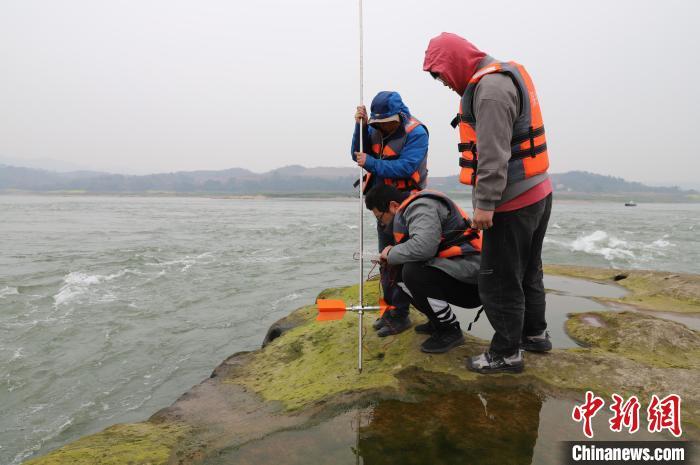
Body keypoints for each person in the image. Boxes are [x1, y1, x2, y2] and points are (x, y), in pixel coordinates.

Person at [423, 33, 553, 373]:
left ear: (454, 62)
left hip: (513, 200)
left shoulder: (491, 91)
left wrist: (485, 204)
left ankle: (507, 353)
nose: (445, 84)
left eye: (441, 75)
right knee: (528, 270)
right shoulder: (500, 78)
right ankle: (535, 335)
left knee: (499, 278)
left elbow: (494, 154)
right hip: (538, 192)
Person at [364, 184, 482, 353]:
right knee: (398, 270)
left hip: (474, 283)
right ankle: (436, 322)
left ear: (393, 206)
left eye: (380, 217)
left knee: (413, 272)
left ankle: (449, 330)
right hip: (457, 273)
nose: (381, 224)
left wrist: (391, 253)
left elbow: (424, 247)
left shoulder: (421, 207)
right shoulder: (410, 211)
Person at [351, 91, 429, 337]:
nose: (382, 128)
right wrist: (360, 127)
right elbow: (358, 154)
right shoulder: (373, 129)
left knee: (402, 260)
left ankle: (401, 314)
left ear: (400, 116)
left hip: (406, 204)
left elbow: (407, 167)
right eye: (378, 124)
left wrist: (372, 163)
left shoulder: (416, 132)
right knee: (385, 259)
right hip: (382, 206)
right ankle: (391, 309)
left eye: (386, 123)